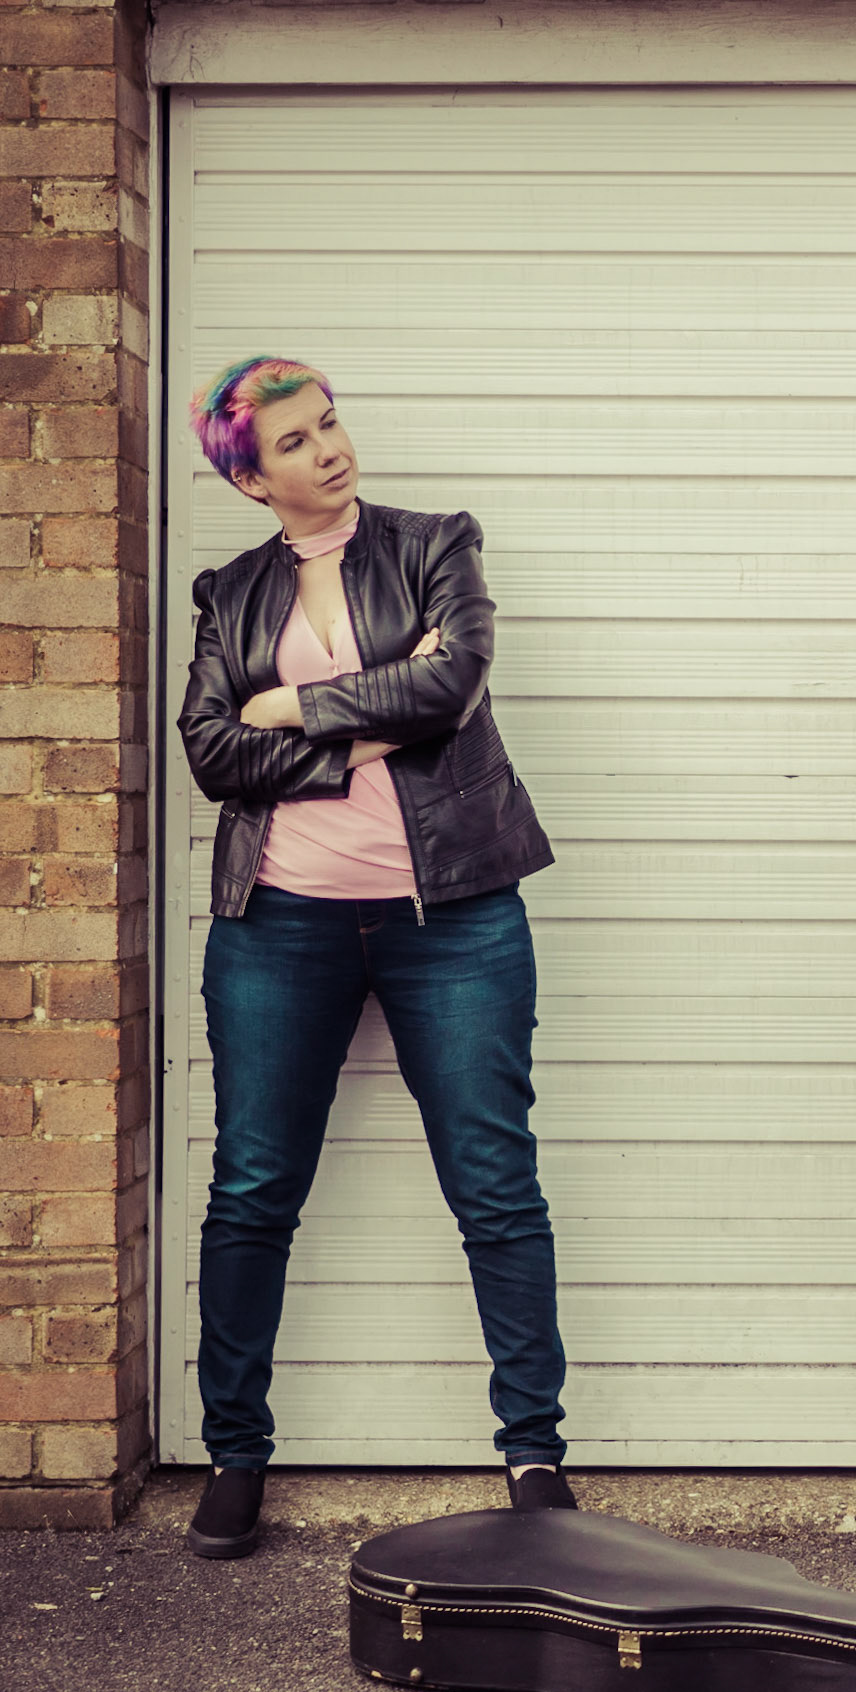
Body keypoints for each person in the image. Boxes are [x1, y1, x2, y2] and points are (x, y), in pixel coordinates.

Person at [179, 357, 572, 1558]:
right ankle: (234, 1450)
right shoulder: (229, 593)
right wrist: (370, 730)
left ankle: (534, 1450)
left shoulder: (434, 542)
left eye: (330, 422)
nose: (329, 449)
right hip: (278, 919)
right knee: (252, 1187)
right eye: (294, 442)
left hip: (449, 912)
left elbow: (454, 680)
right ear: (253, 480)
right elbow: (206, 748)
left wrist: (296, 711)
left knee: (494, 1183)